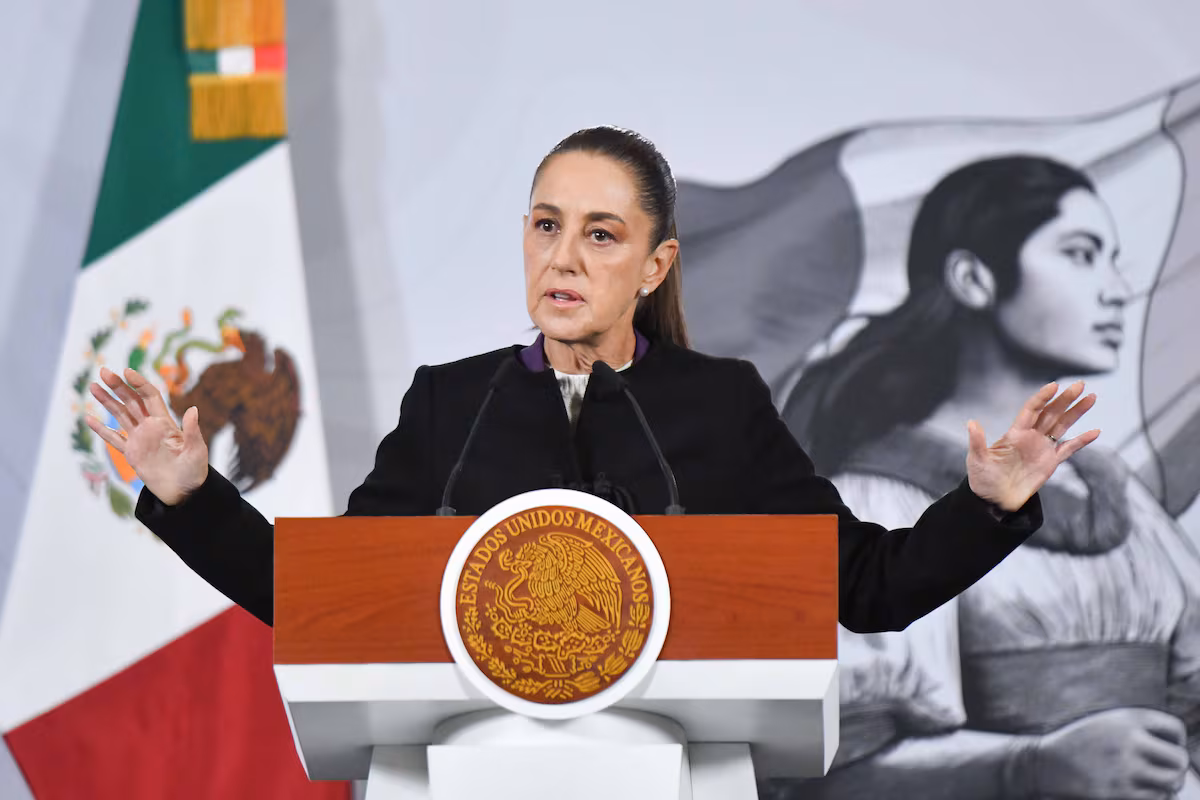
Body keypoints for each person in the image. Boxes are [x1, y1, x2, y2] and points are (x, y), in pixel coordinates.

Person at [86, 127, 1094, 640]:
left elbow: (866, 588)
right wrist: (191, 493)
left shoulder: (721, 404)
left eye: (601, 234)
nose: (562, 256)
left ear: (655, 266)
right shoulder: (451, 404)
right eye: (546, 225)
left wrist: (990, 506)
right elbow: (332, 601)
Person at [772, 155, 1200, 799]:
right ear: (974, 279)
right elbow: (831, 765)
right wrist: (1029, 767)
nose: (1116, 290)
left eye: (1113, 260)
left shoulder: (1118, 498)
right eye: (1080, 255)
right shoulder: (878, 500)